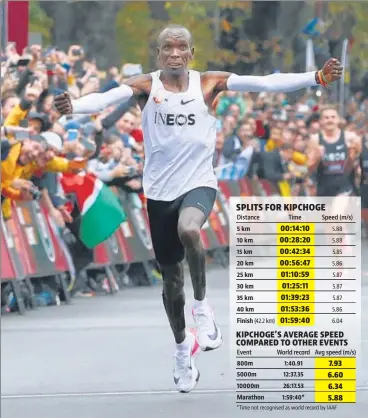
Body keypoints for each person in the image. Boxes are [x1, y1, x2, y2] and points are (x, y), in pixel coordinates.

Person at [54, 24, 343, 393]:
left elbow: (264, 83)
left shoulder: (208, 83)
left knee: (190, 229)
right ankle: (181, 347)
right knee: (172, 282)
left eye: (181, 48)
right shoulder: (147, 85)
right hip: (158, 191)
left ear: (190, 53)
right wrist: (75, 105)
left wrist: (315, 77)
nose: (174, 53)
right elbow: (107, 98)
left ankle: (203, 309)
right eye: (167, 48)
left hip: (199, 182)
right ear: (159, 54)